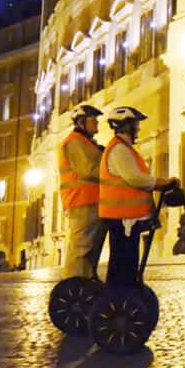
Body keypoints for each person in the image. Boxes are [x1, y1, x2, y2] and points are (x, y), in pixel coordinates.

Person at [99, 106, 178, 288]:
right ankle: (118, 300)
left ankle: (122, 298)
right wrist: (162, 182)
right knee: (123, 264)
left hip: (127, 217)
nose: (138, 128)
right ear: (126, 125)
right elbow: (135, 178)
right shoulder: (119, 149)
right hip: (123, 217)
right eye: (135, 124)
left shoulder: (124, 149)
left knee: (126, 263)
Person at [58, 105, 108, 280]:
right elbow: (89, 169)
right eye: (93, 120)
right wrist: (112, 170)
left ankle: (86, 284)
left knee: (90, 249)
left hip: (90, 201)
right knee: (82, 249)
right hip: (82, 202)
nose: (97, 123)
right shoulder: (74, 142)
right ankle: (76, 285)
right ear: (81, 122)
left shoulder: (86, 143)